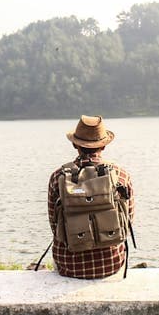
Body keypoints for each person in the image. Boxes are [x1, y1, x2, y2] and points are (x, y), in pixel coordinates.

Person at [45, 115, 135, 278]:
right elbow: (128, 221)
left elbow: (54, 224)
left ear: (75, 145)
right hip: (111, 264)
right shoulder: (120, 175)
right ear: (104, 146)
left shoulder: (58, 177)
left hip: (69, 266)